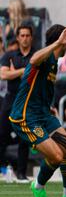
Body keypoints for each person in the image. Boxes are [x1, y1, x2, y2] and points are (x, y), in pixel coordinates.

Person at [9, 24, 66, 197]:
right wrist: (58, 42)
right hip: (26, 117)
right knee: (56, 156)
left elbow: (43, 87)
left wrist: (50, 106)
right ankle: (38, 186)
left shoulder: (54, 62)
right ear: (59, 41)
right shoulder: (45, 57)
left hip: (43, 113)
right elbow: (32, 60)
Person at [0, 25, 35, 183]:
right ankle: (1, 169)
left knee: (24, 138)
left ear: (31, 37)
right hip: (11, 98)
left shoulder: (36, 56)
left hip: (28, 99)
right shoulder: (10, 55)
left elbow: (37, 77)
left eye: (28, 35)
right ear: (18, 37)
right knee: (2, 134)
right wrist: (23, 71)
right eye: (22, 35)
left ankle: (21, 173)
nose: (25, 38)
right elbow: (3, 75)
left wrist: (14, 72)